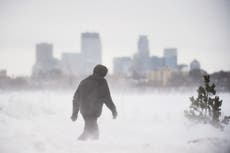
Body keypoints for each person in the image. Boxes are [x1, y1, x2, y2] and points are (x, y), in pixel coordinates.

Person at [71, 64, 117, 140]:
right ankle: (77, 146)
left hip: (84, 111)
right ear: (102, 74)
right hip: (94, 111)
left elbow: (76, 98)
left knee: (90, 131)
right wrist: (113, 110)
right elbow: (107, 98)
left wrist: (75, 113)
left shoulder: (84, 82)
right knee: (93, 133)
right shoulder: (102, 82)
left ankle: (83, 146)